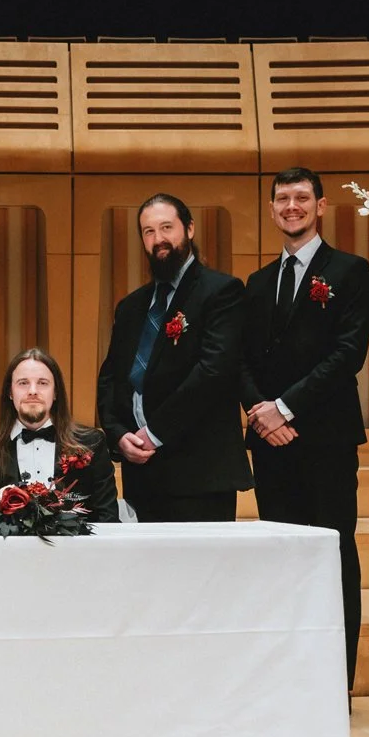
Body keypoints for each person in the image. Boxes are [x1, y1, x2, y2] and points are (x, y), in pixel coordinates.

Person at [239, 166, 369, 686]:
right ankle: (289, 681)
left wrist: (285, 409)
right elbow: (240, 361)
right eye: (281, 199)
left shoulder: (349, 270)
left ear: (320, 206)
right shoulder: (256, 283)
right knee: (282, 560)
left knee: (333, 555)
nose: (290, 207)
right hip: (269, 445)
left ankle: (336, 684)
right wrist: (259, 411)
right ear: (272, 209)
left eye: (301, 198)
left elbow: (347, 354)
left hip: (325, 440)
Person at [95, 193, 251, 521]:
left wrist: (154, 433)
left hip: (200, 474)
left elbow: (212, 373)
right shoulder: (131, 307)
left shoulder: (222, 292)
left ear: (189, 229)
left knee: (202, 573)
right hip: (142, 473)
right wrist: (118, 434)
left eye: (167, 227)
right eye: (149, 232)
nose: (159, 239)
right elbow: (111, 377)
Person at [0, 348, 119, 522]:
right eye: (23, 383)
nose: (33, 391)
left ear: (56, 392)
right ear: (10, 393)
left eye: (42, 383)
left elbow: (108, 518)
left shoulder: (92, 443)